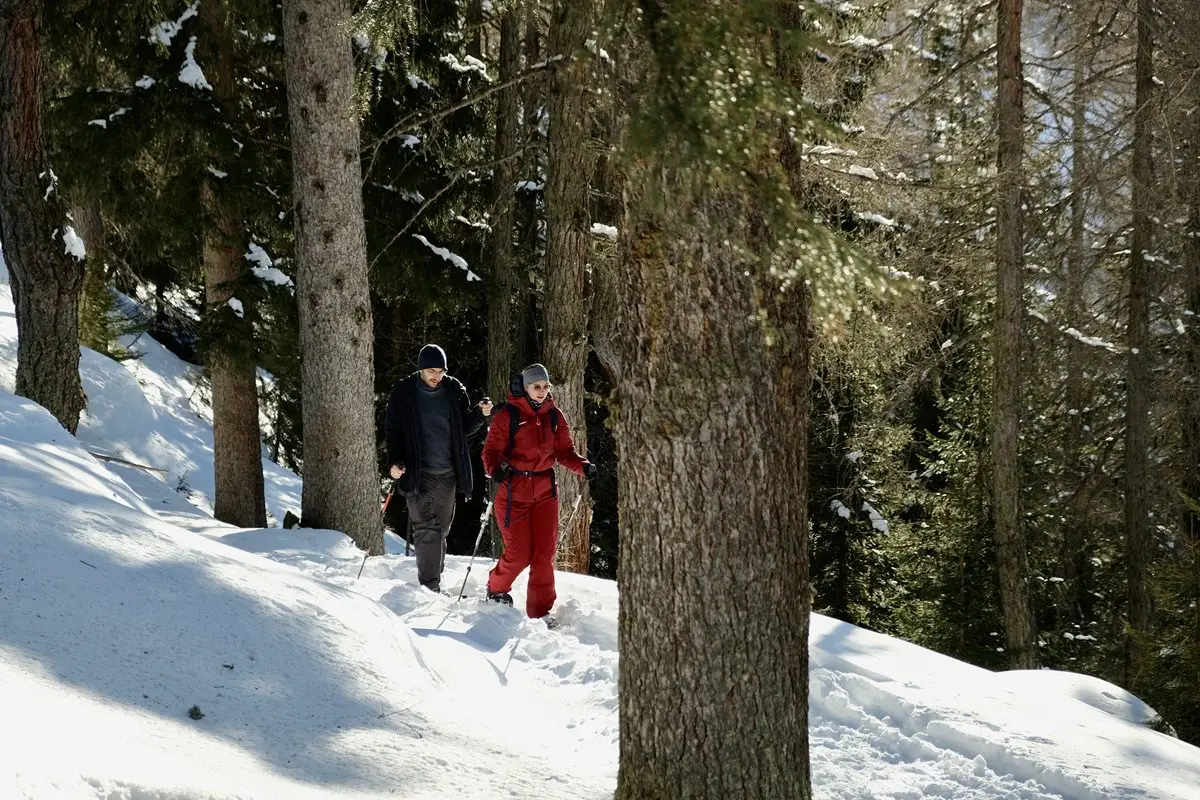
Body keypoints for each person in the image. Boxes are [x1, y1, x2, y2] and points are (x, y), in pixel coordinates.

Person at [481, 363, 595, 620]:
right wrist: (495, 468)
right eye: (536, 387)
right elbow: (491, 451)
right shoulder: (507, 415)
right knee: (519, 553)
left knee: (544, 555)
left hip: (545, 493)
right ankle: (496, 588)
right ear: (526, 388)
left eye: (545, 387)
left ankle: (540, 612)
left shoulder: (554, 416)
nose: (541, 392)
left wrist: (583, 467)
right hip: (513, 493)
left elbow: (564, 453)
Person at [385, 344, 492, 592]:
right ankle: (430, 586)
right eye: (431, 371)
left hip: (447, 474)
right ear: (421, 369)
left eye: (440, 371)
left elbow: (463, 428)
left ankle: (432, 576)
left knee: (441, 530)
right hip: (417, 473)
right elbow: (394, 432)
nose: (436, 376)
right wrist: (394, 463)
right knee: (426, 530)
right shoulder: (404, 393)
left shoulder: (454, 390)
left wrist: (479, 413)